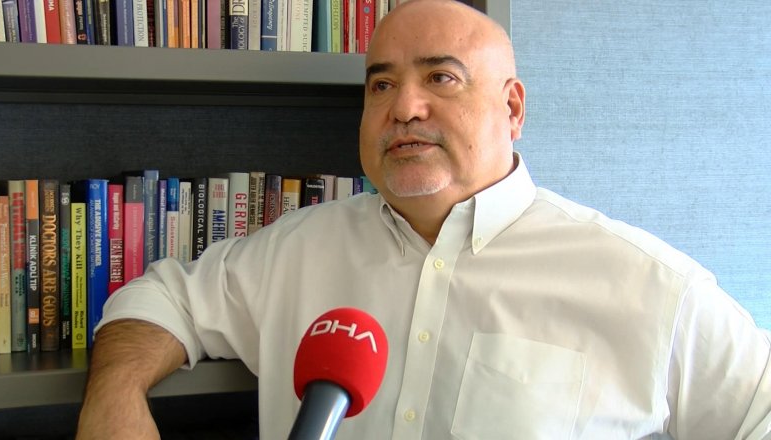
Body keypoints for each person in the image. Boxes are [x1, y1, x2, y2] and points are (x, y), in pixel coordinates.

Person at [76, 0, 771, 438]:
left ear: (512, 108)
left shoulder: (648, 285)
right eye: (382, 84)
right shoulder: (295, 250)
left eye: (441, 78)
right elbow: (162, 298)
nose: (403, 108)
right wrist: (116, 395)